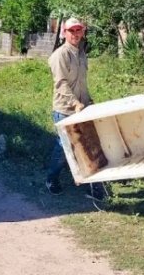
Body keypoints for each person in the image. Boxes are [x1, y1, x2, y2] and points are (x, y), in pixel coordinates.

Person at [46, 17, 105, 199]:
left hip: (82, 109)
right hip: (65, 110)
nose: (76, 34)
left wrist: (88, 101)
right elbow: (61, 84)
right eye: (72, 31)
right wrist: (75, 103)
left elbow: (81, 83)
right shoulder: (59, 56)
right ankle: (51, 179)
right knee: (65, 149)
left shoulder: (81, 54)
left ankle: (93, 187)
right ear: (64, 33)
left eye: (78, 30)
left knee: (90, 146)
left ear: (82, 32)